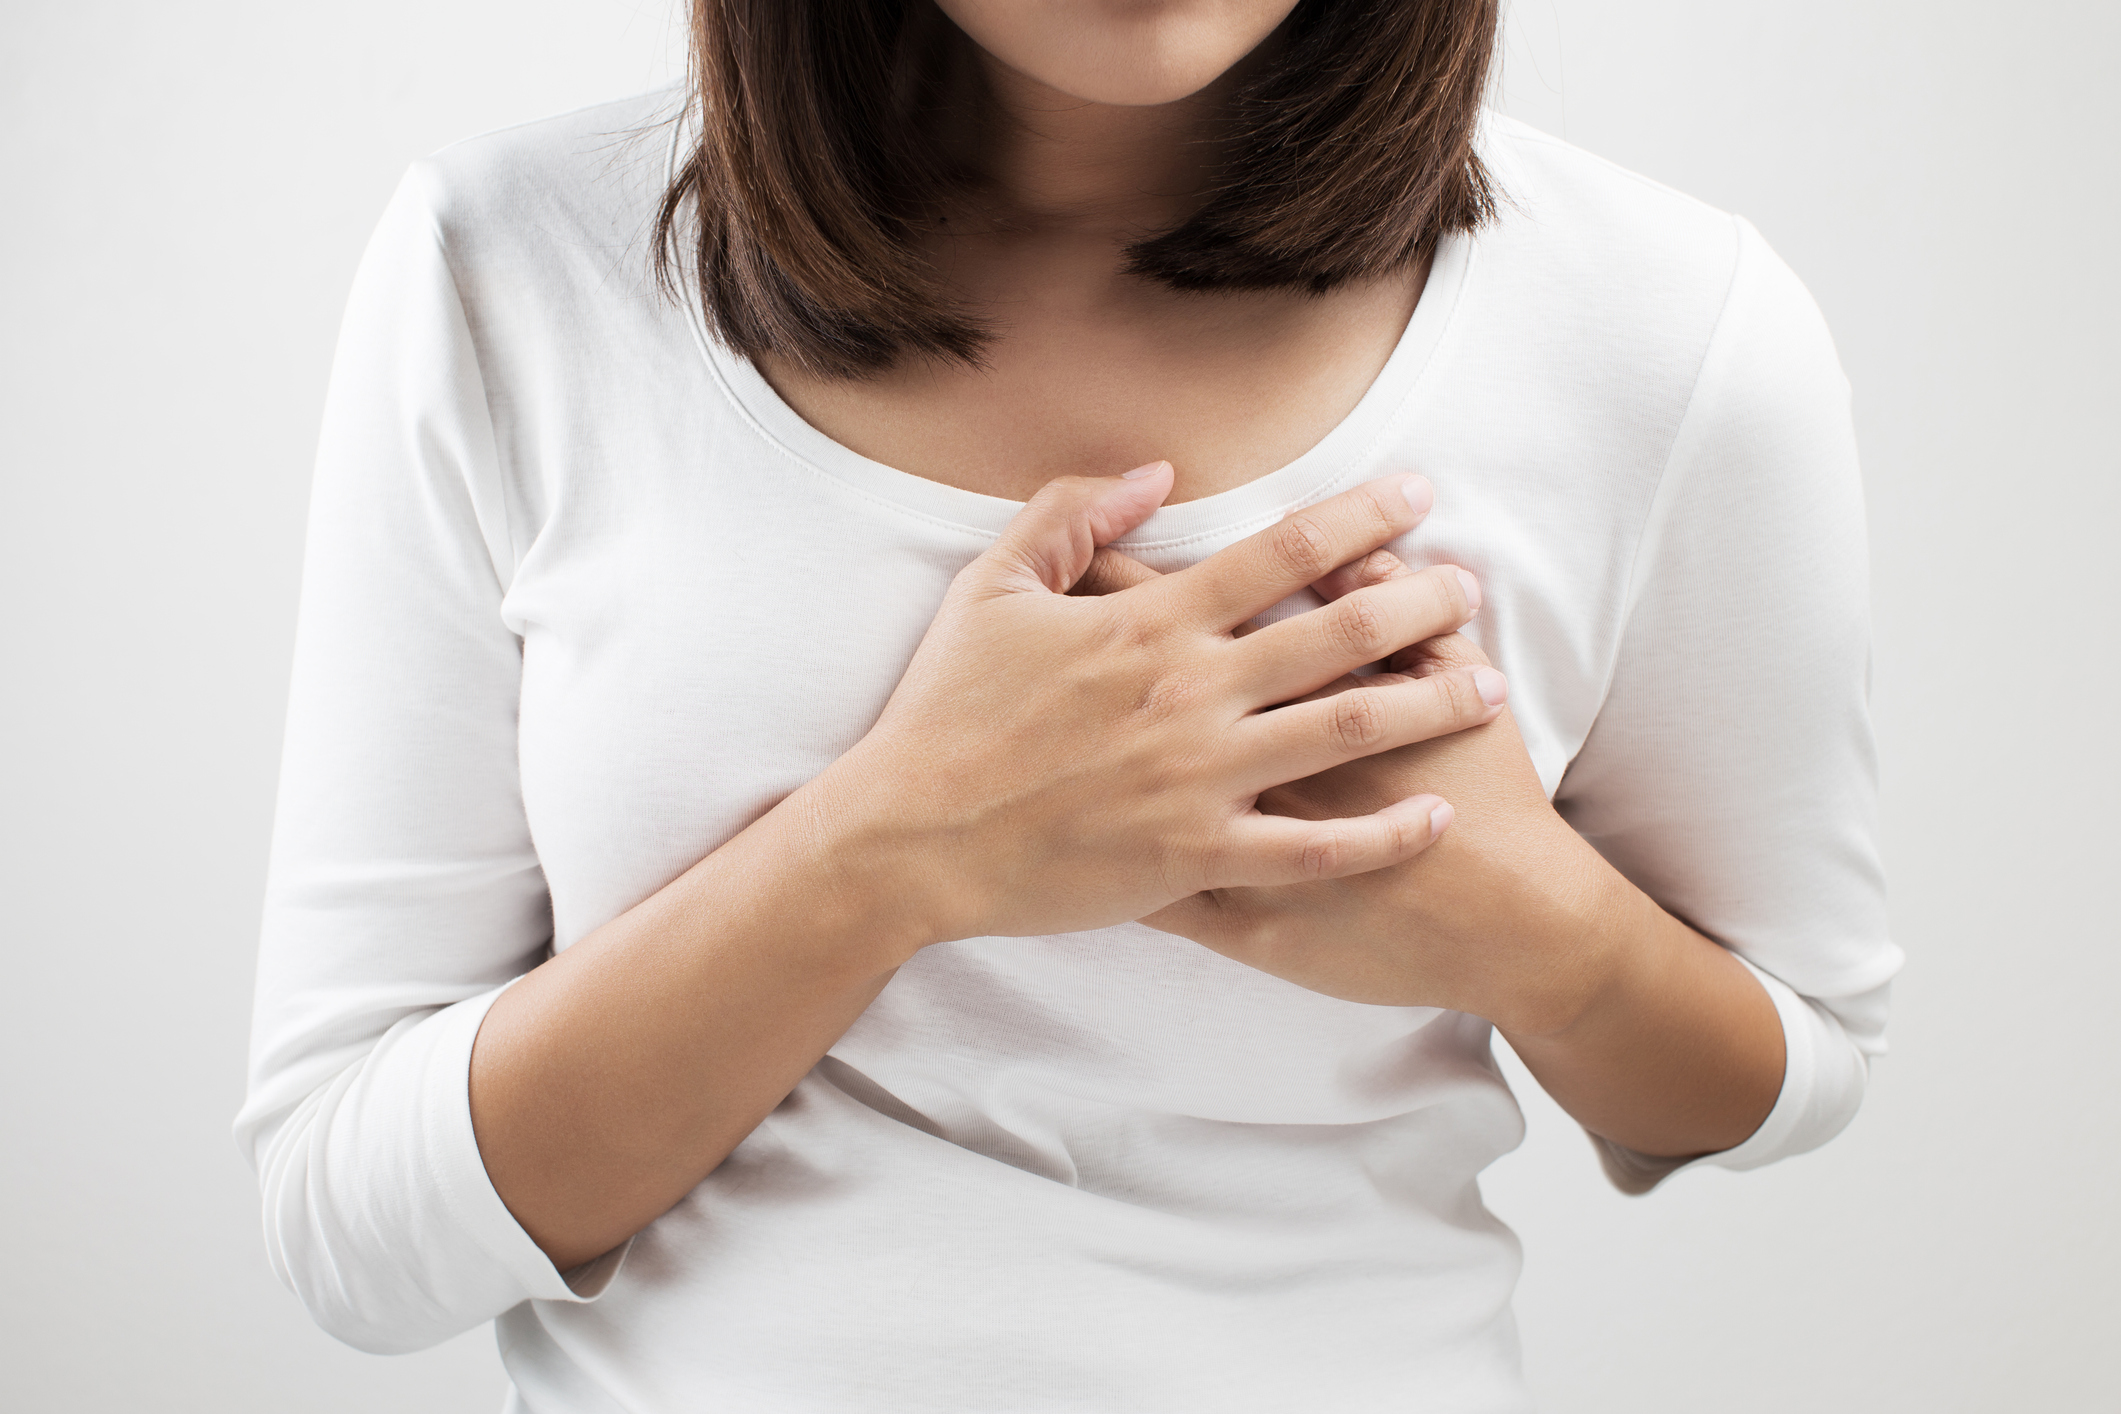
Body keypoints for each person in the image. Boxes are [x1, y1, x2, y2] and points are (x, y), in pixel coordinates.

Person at [237, 1, 1901, 1408]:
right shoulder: (512, 268)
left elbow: (1797, 1068)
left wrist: (1535, 925)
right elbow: (353, 1230)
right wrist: (894, 849)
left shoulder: (1668, 326)